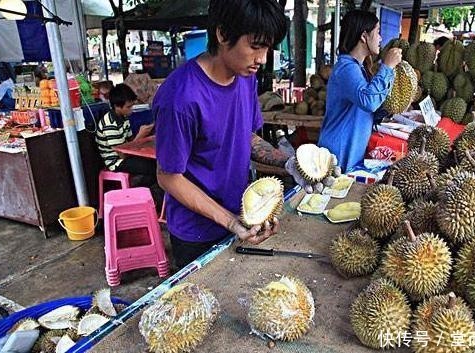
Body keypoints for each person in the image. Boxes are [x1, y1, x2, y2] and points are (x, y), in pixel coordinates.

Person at [153, 0, 335, 269]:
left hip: (241, 215)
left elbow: (243, 136)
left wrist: (288, 163)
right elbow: (168, 176)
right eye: (255, 46)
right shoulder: (180, 98)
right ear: (222, 34)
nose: (261, 59)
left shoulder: (245, 77)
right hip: (197, 234)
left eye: (267, 47)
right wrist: (229, 220)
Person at [317, 10, 402, 172]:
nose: (381, 38)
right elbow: (368, 102)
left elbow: (366, 110)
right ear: (364, 36)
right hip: (338, 153)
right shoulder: (346, 68)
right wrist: (388, 66)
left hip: (351, 152)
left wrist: (390, 109)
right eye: (378, 32)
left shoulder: (359, 68)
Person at [95, 83, 156, 186]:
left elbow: (130, 141)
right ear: (117, 106)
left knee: (155, 163)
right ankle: (137, 190)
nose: (131, 109)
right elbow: (122, 154)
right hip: (116, 162)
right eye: (128, 107)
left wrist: (144, 135)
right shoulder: (110, 124)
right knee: (151, 168)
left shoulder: (124, 117)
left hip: (125, 156)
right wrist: (140, 135)